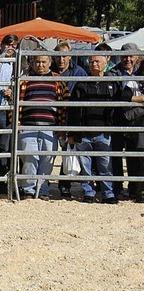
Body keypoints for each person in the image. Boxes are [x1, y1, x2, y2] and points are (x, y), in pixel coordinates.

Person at [68, 49, 119, 204]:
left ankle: (108, 193)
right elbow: (73, 109)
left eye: (97, 61)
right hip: (84, 131)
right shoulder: (82, 83)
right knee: (86, 165)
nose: (93, 64)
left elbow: (121, 100)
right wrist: (72, 131)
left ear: (106, 62)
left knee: (106, 165)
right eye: (91, 61)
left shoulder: (112, 83)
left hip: (104, 131)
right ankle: (88, 192)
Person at [17, 52, 69, 200]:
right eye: (38, 62)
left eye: (43, 62)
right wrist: (17, 123)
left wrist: (61, 127)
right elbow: (16, 103)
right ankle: (28, 190)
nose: (40, 65)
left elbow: (64, 105)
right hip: (28, 125)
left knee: (47, 159)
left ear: (50, 62)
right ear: (33, 63)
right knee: (29, 158)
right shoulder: (25, 80)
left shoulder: (58, 80)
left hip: (50, 126)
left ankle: (43, 189)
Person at [52, 40, 87, 198]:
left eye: (65, 56)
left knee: (69, 149)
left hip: (72, 114)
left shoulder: (79, 72)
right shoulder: (49, 71)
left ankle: (64, 184)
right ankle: (43, 182)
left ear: (70, 56)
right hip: (53, 114)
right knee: (50, 151)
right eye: (59, 56)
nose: (62, 59)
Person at [0, 34, 18, 195]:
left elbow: (22, 85)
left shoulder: (19, 63)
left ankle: (3, 181)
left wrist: (12, 92)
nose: (10, 47)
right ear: (2, 44)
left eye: (13, 44)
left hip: (8, 109)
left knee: (4, 146)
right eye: (8, 44)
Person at [111, 42, 141, 198]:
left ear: (137, 57)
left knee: (135, 154)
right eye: (124, 56)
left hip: (139, 120)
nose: (127, 59)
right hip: (118, 118)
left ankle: (134, 189)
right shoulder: (114, 73)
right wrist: (139, 98)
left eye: (131, 56)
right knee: (115, 154)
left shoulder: (141, 71)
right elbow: (119, 95)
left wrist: (130, 99)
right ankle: (117, 187)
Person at [116, 57, 144, 202]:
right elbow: (124, 96)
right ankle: (136, 190)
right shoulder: (134, 80)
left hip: (137, 121)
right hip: (137, 125)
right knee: (136, 158)